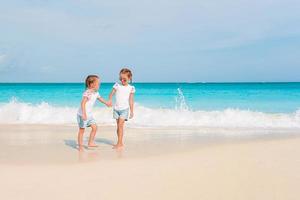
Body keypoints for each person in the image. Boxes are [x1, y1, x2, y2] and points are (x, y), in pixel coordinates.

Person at [77, 75, 111, 151]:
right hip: (82, 114)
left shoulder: (96, 93)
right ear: (92, 84)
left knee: (95, 127)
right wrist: (84, 114)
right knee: (82, 130)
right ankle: (80, 146)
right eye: (98, 83)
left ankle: (90, 142)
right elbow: (82, 103)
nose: (99, 85)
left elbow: (100, 99)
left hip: (89, 115)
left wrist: (107, 103)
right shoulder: (88, 93)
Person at [108, 68, 135, 149]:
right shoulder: (117, 85)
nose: (122, 81)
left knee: (120, 126)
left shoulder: (131, 88)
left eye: (124, 79)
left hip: (125, 109)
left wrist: (132, 111)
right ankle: (119, 142)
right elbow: (111, 94)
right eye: (121, 79)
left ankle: (119, 143)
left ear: (129, 79)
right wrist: (109, 100)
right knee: (118, 127)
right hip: (116, 109)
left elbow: (131, 100)